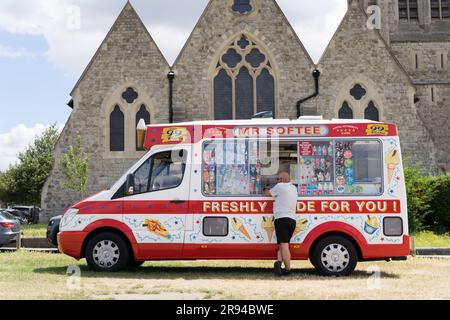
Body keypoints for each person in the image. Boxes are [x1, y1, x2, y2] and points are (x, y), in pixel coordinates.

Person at [264, 171, 297, 276]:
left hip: (281, 219)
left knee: (284, 245)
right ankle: (279, 263)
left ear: (282, 179)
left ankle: (288, 269)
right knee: (282, 245)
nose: (277, 181)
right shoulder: (293, 188)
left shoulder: (280, 186)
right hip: (292, 220)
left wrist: (265, 188)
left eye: (278, 179)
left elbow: (268, 194)